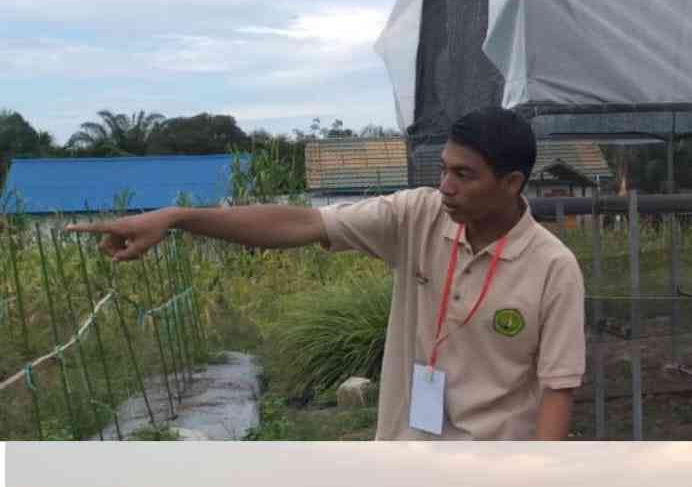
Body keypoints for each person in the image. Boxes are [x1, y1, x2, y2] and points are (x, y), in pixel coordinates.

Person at [65, 108, 584, 441]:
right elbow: (304, 222)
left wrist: (534, 481)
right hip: (410, 453)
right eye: (443, 169)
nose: (444, 186)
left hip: (494, 466)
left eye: (463, 175)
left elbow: (557, 391)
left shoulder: (552, 268)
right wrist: (177, 219)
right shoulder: (417, 216)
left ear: (512, 182)